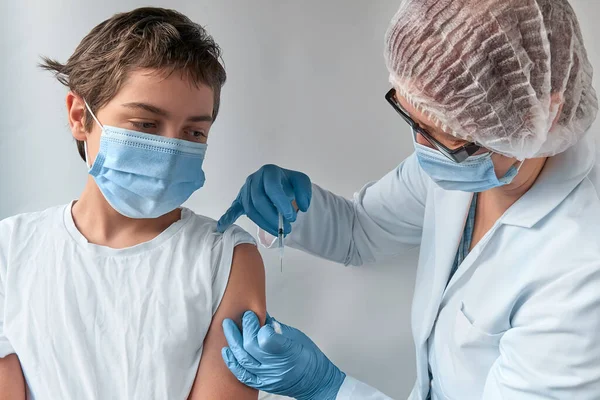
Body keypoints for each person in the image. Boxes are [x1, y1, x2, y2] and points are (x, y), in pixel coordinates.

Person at [216, 0, 600, 399]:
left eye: (442, 135)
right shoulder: (468, 162)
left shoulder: (580, 272)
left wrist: (329, 388)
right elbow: (361, 230)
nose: (421, 147)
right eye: (414, 120)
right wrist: (294, 209)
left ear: (540, 116)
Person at [0, 7, 266, 400]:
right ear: (79, 115)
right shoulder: (10, 250)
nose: (171, 149)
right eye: (145, 124)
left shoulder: (226, 259)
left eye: (194, 131)